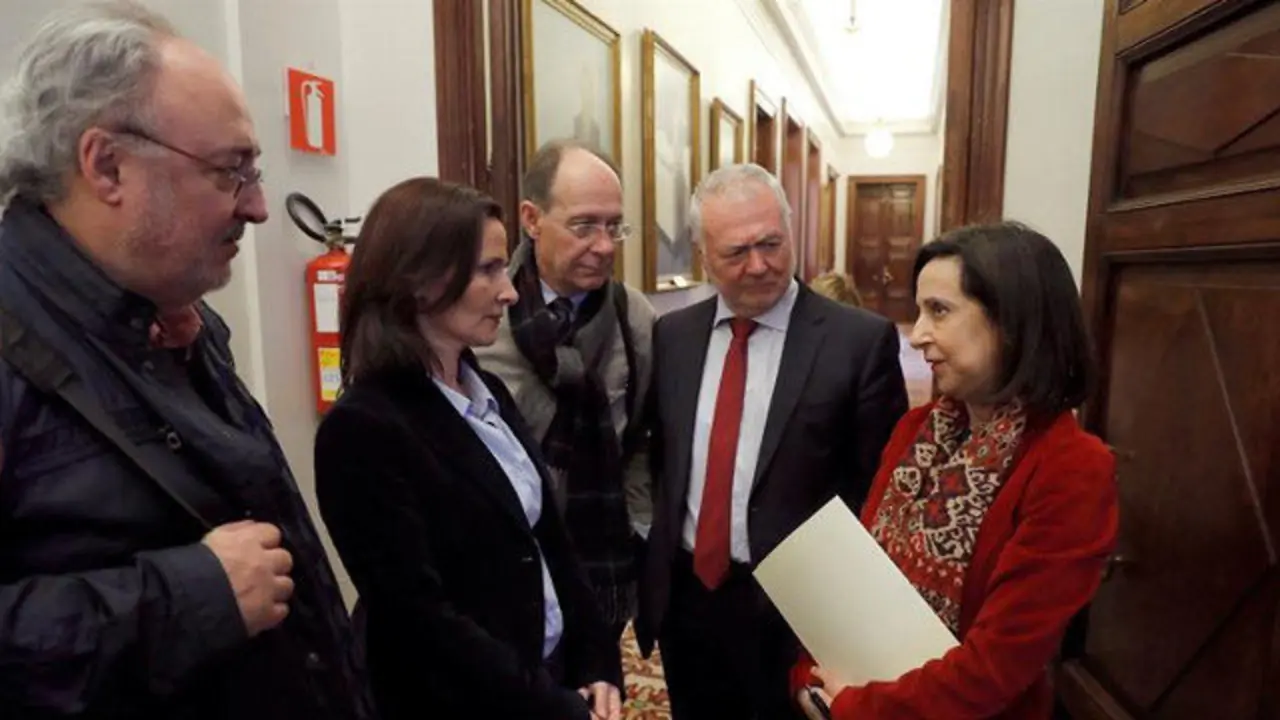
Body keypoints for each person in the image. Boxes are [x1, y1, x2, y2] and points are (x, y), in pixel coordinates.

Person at [0, 3, 373, 718]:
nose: (260, 206)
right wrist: (183, 600)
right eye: (231, 171)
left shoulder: (170, 316)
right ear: (107, 165)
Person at [314, 177, 624, 720]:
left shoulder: (488, 391)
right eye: (488, 270)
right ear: (418, 280)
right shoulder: (362, 430)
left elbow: (550, 539)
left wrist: (597, 662)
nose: (508, 291)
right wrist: (552, 707)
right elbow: (422, 621)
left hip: (547, 675)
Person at [792, 222, 1119, 720]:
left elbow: (996, 667)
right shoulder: (916, 429)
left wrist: (857, 708)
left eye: (939, 312)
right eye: (920, 311)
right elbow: (856, 581)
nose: (918, 334)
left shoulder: (1072, 468)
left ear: (1012, 322)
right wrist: (810, 675)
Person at [639, 163, 910, 718]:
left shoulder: (857, 343)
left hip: (795, 612)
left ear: (791, 233)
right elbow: (663, 459)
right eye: (737, 252)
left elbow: (882, 496)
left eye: (771, 243)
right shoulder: (674, 337)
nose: (759, 265)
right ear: (703, 256)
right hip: (688, 599)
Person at [475, 139, 655, 641]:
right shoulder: (484, 315)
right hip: (503, 570)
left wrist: (638, 530)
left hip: (601, 570)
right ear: (532, 219)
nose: (604, 245)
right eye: (584, 225)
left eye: (613, 225)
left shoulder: (634, 320)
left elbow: (641, 438)